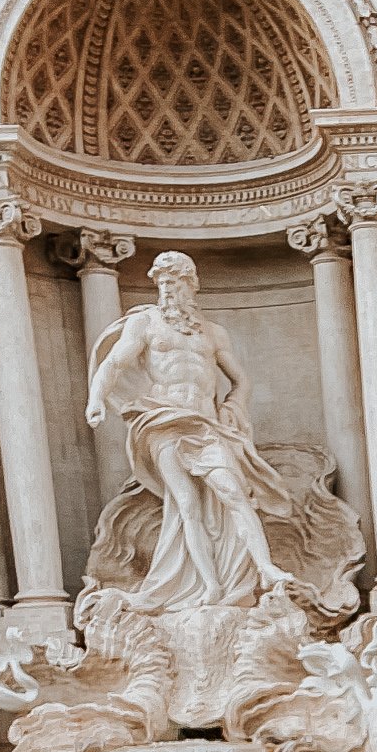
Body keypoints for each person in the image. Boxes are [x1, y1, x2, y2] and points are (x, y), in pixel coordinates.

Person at [86, 249, 292, 608]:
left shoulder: (212, 333)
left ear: (190, 285)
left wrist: (234, 406)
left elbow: (241, 381)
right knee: (187, 505)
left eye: (174, 282)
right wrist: (95, 400)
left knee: (234, 493)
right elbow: (114, 363)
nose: (167, 290)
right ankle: (209, 587)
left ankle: (266, 568)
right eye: (162, 282)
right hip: (163, 420)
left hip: (206, 424)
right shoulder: (146, 323)